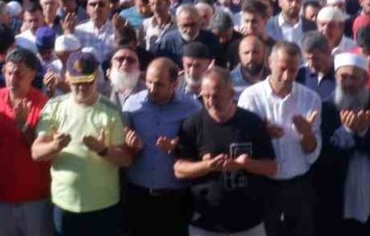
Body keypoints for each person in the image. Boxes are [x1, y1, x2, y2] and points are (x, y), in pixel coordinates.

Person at [33, 52, 131, 235]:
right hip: (65, 204)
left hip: (103, 206)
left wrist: (102, 150)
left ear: (97, 78)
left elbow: (125, 159)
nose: (82, 87)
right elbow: (36, 152)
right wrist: (55, 146)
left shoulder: (110, 111)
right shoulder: (54, 107)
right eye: (77, 82)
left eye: (88, 81)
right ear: (67, 78)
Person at [174, 67, 278, 236]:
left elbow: (272, 168)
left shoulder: (251, 123)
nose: (210, 101)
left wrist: (247, 164)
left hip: (248, 223)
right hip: (206, 223)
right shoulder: (192, 125)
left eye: (216, 96)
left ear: (231, 93)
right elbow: (179, 169)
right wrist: (207, 166)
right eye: (206, 96)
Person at [237, 41, 322, 236]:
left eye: (292, 70)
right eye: (282, 69)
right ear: (270, 62)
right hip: (264, 185)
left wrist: (306, 133)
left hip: (298, 186)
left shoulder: (310, 99)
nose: (286, 76)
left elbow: (312, 154)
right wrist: (262, 134)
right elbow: (241, 145)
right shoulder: (251, 97)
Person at [314, 53, 370, 236]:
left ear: (365, 78)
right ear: (336, 78)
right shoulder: (326, 108)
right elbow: (320, 155)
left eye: (354, 77)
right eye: (343, 77)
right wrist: (346, 132)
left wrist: (363, 133)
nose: (348, 83)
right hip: (336, 192)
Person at [0, 48, 53, 236]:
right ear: (3, 72)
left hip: (35, 198)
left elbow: (42, 151)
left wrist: (24, 125)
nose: (12, 79)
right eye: (9, 73)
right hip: (0, 197)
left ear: (32, 74)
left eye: (19, 74)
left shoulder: (44, 105)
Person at [122, 56, 201, 236]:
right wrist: (129, 141)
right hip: (138, 196)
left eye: (159, 84)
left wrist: (178, 147)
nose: (152, 89)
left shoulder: (192, 108)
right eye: (148, 82)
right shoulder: (132, 104)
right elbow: (122, 143)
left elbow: (202, 146)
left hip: (175, 199)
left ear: (174, 84)